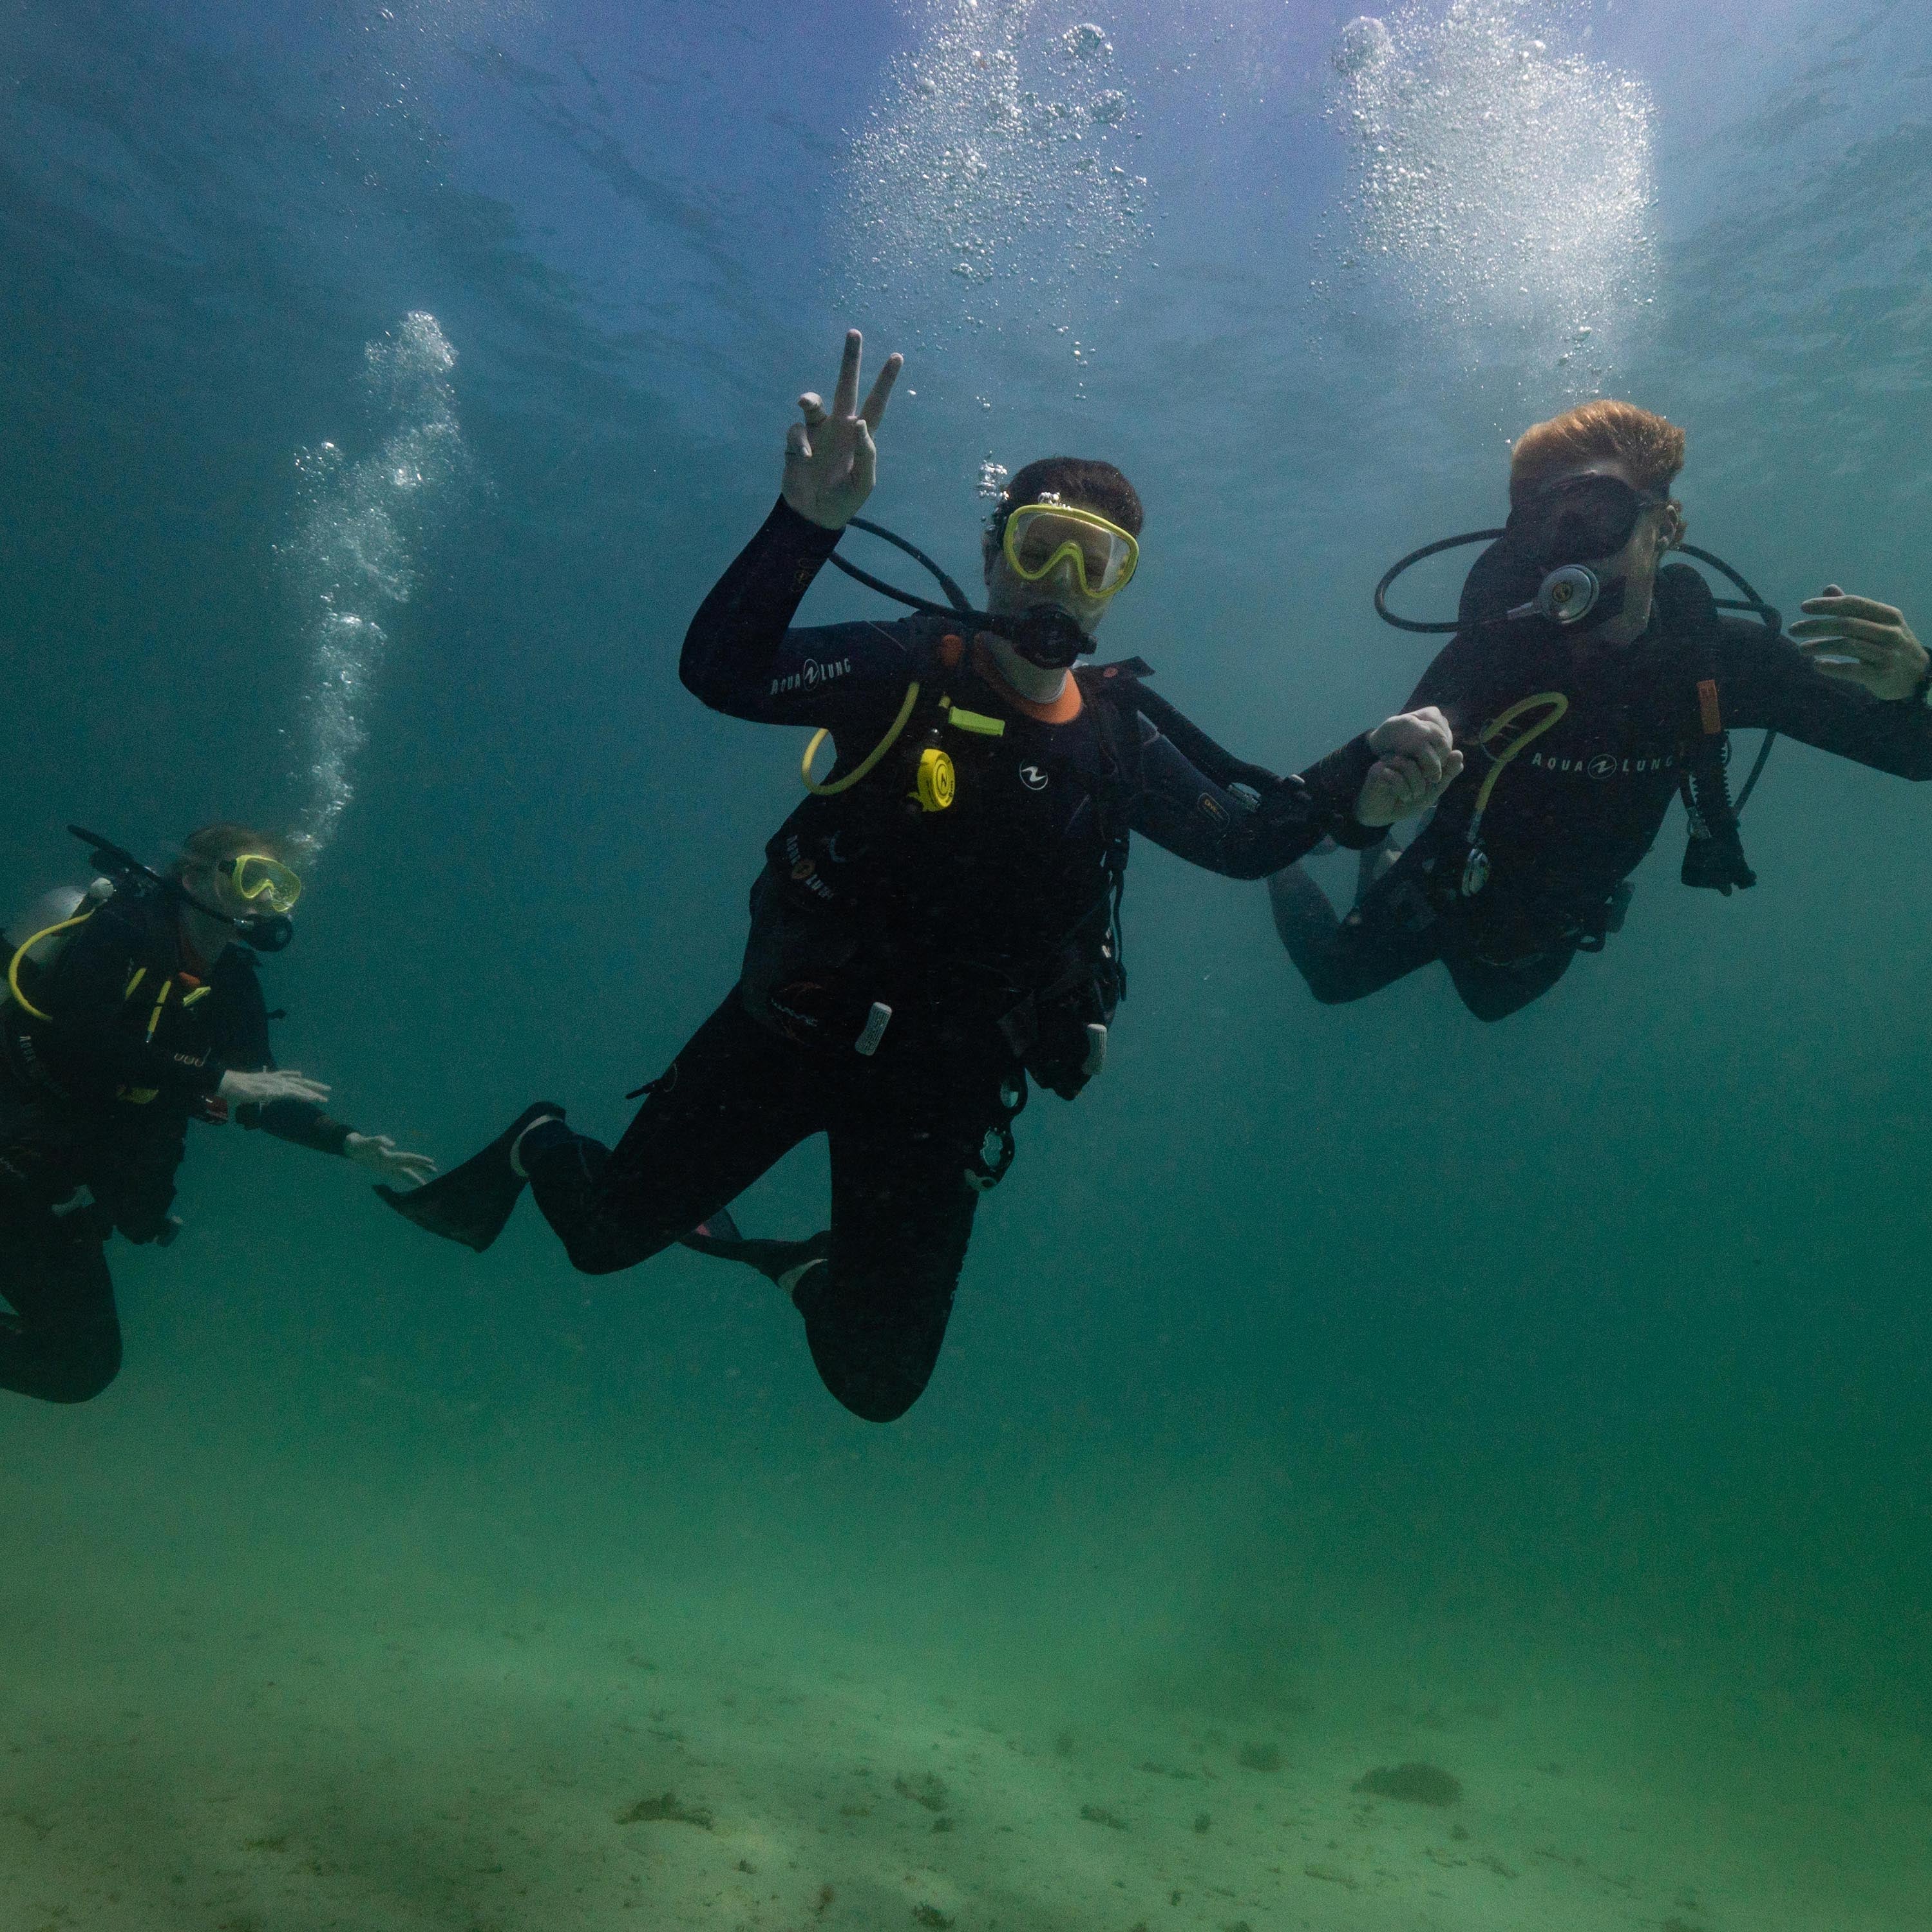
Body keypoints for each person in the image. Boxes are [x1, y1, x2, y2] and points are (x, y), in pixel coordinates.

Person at [384, 328, 1462, 1423]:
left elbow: (1248, 841)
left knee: (878, 1381)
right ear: (993, 551)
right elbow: (722, 670)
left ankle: (806, 1267)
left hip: (943, 1090)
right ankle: (541, 1143)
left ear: (1119, 590)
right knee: (606, 1239)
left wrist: (1358, 789)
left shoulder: (1119, 739)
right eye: (1040, 546)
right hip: (790, 1037)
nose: (1061, 582)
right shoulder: (905, 668)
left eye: (1097, 563)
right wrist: (804, 525)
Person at [1269, 398, 1932, 1021]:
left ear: (1665, 526)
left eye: (1596, 515)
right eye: (1546, 528)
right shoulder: (1498, 653)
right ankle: (1309, 865)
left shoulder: (1723, 662)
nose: (1572, 551)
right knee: (1333, 979)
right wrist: (1369, 808)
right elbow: (1382, 773)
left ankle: (1378, 864)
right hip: (1447, 889)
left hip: (1559, 922)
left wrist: (1923, 680)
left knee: (1494, 1001)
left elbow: (1914, 752)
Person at [0, 824, 434, 1403]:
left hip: (59, 1186)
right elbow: (80, 1038)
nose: (265, 901)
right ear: (195, 878)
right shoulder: (121, 929)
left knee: (80, 1364)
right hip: (15, 1148)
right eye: (254, 877)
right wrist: (216, 1079)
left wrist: (350, 1143)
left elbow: (262, 1094)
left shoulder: (231, 984)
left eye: (282, 889)